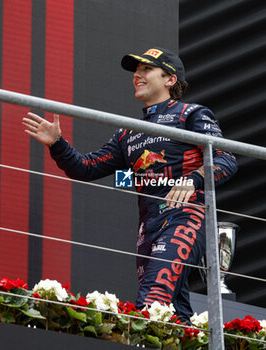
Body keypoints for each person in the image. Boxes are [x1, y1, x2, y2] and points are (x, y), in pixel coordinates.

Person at [22, 47, 237, 322]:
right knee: (175, 313)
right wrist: (57, 144)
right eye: (136, 71)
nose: (137, 75)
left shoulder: (192, 114)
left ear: (170, 79)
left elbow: (226, 159)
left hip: (186, 217)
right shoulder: (127, 132)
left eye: (147, 69)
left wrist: (193, 180)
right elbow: (85, 168)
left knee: (151, 301)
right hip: (147, 230)